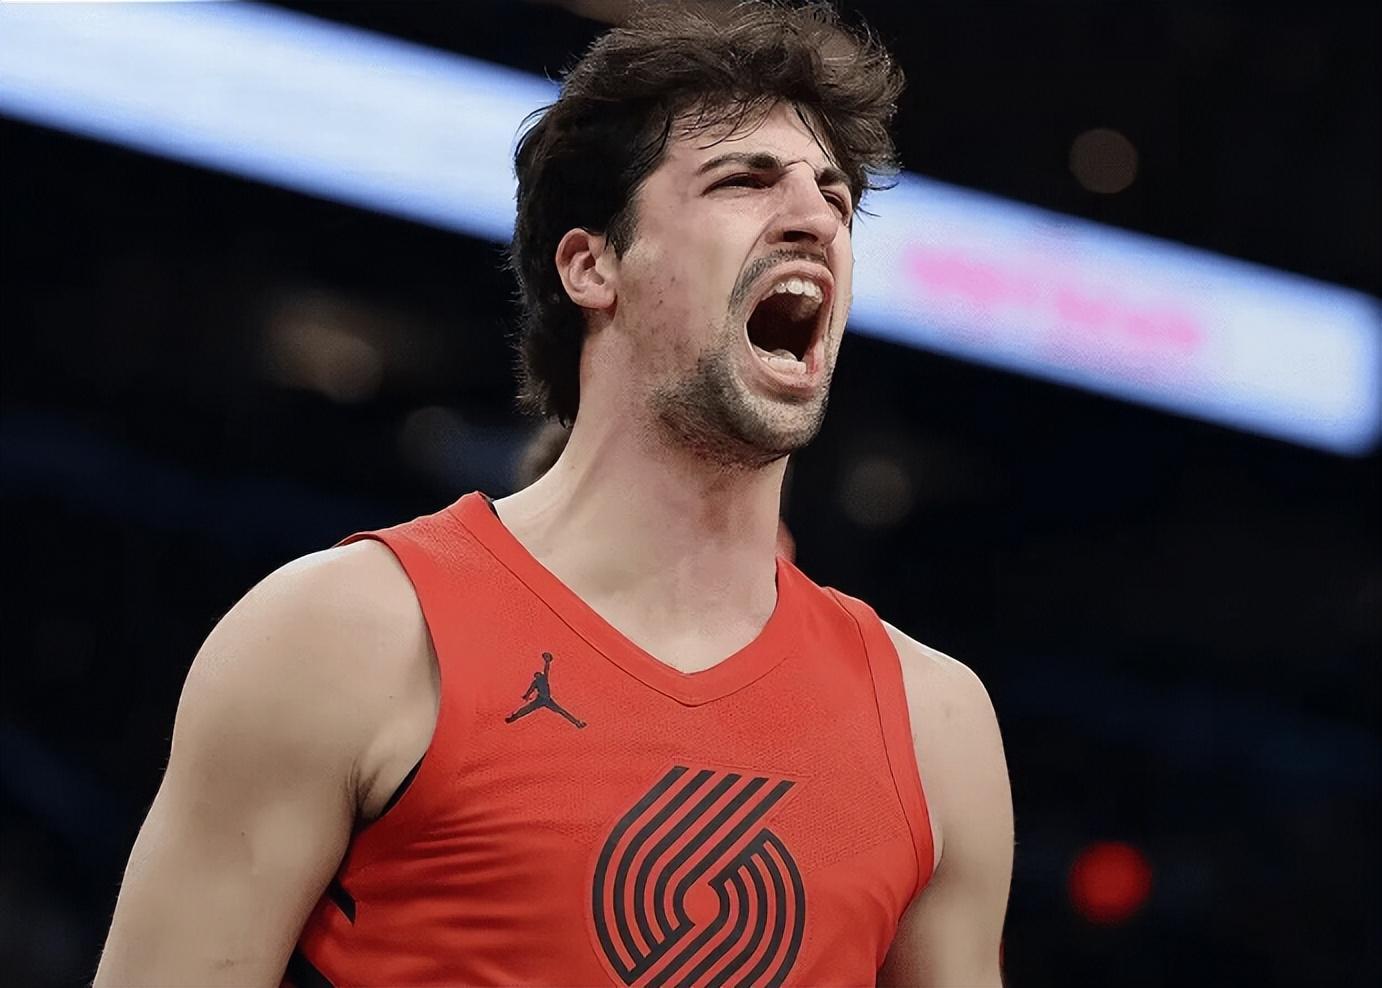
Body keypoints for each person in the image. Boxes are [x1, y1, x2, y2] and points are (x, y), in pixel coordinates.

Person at [94, 3, 1013, 985]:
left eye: (834, 195)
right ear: (591, 264)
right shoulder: (342, 636)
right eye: (742, 180)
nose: (815, 217)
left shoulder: (936, 725)